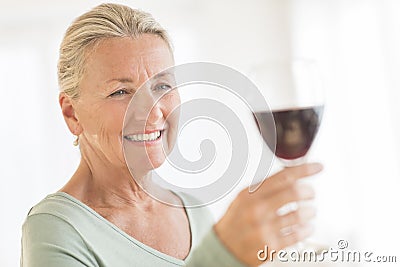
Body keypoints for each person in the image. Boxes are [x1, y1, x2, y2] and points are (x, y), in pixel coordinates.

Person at [21, 3, 322, 267]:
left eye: (162, 86)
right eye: (121, 92)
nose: (152, 112)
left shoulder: (194, 211)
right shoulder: (56, 231)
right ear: (71, 114)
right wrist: (223, 256)